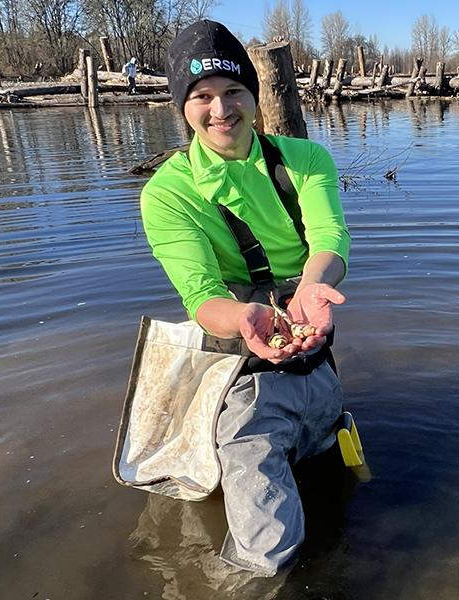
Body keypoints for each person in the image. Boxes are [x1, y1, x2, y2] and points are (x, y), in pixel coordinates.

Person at [139, 19, 351, 577]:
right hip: (243, 378)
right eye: (201, 96)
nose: (220, 110)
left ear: (254, 95)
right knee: (266, 557)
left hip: (316, 359)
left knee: (339, 495)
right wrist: (248, 319)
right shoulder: (166, 194)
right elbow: (201, 294)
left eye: (234, 91)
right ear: (181, 105)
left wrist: (311, 287)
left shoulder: (307, 160)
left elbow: (329, 240)